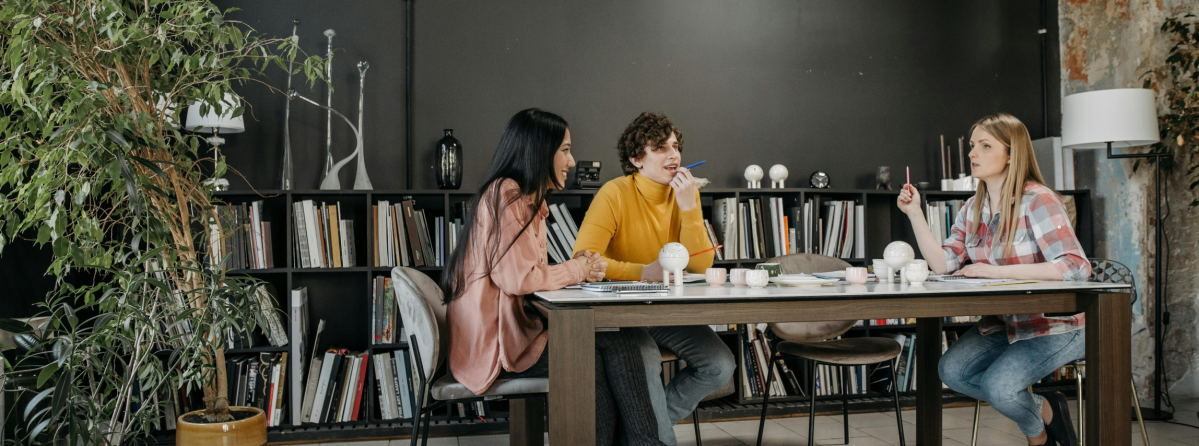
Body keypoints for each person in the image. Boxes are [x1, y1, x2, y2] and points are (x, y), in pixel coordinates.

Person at [442, 108, 663, 445]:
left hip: (509, 334)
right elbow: (519, 278)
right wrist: (578, 270)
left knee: (606, 349)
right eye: (564, 150)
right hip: (496, 347)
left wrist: (577, 266)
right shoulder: (508, 195)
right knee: (603, 349)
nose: (572, 161)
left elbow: (527, 271)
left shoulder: (525, 198)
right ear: (539, 151)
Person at [897, 113, 1089, 446]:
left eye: (986, 146)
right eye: (972, 146)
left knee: (1000, 388)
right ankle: (1046, 409)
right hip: (1006, 324)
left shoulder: (1038, 200)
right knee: (952, 372)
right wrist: (915, 213)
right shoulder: (973, 207)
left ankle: (1038, 438)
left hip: (1058, 325)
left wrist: (996, 272)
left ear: (1012, 154)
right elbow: (942, 265)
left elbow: (1074, 267)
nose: (973, 154)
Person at [573, 112, 736, 445]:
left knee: (720, 365)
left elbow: (702, 266)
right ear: (636, 159)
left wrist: (690, 208)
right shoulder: (613, 193)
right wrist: (641, 272)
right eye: (660, 147)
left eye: (675, 146)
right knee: (645, 361)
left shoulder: (685, 197)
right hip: (621, 313)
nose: (673, 155)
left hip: (666, 311)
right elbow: (584, 258)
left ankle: (634, 432)